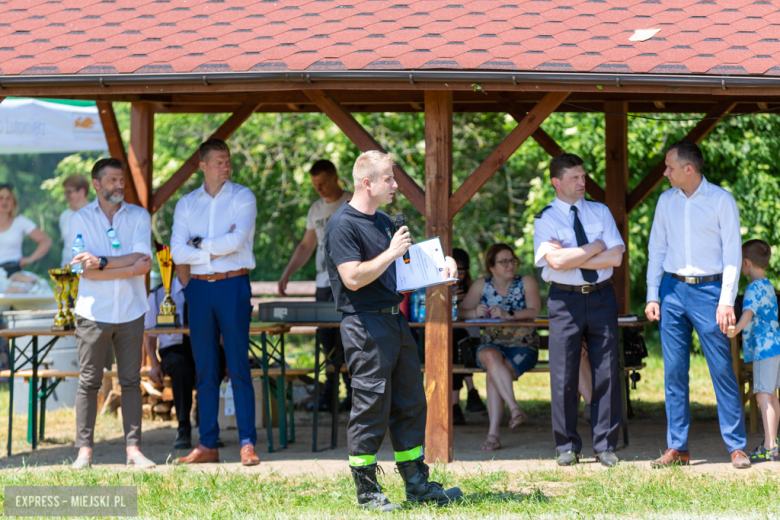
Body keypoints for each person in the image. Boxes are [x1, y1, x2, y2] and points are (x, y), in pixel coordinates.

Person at [323, 150, 462, 511]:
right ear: (366, 183)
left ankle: (417, 483)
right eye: (389, 179)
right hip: (364, 324)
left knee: (411, 401)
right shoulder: (342, 225)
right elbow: (352, 278)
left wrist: (440, 264)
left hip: (394, 321)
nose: (396, 185)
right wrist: (390, 252)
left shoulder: (383, 220)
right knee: (370, 405)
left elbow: (402, 268)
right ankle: (367, 491)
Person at [645, 141, 750, 469]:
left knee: (721, 369)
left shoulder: (721, 200)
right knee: (674, 372)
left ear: (688, 169)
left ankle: (737, 447)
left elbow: (732, 254)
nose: (665, 173)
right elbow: (656, 249)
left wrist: (726, 301)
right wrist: (652, 294)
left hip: (710, 292)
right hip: (672, 290)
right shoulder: (665, 201)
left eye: (670, 167)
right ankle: (678, 447)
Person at [171, 138, 260, 466]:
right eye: (219, 161)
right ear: (203, 166)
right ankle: (207, 443)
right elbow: (176, 251)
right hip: (198, 288)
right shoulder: (186, 204)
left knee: (238, 365)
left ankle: (247, 443)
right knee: (204, 368)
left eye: (228, 161)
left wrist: (198, 243)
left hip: (233, 284)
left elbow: (237, 241)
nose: (226, 166)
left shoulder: (243, 197)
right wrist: (213, 246)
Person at [533, 153, 624, 468]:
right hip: (564, 300)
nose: (582, 182)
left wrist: (575, 255)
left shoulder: (600, 211)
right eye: (574, 178)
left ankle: (605, 445)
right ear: (557, 182)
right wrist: (595, 247)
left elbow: (616, 258)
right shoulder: (545, 219)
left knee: (607, 371)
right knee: (563, 374)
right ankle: (566, 446)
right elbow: (555, 263)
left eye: (583, 176)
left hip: (601, 296)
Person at [67, 158, 155, 470]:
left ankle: (134, 451)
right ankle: (84, 453)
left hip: (131, 309)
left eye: (122, 180)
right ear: (96, 184)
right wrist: (128, 268)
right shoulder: (80, 219)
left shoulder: (139, 216)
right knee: (89, 381)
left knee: (131, 381)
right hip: (93, 311)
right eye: (113, 180)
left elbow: (143, 259)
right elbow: (82, 271)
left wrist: (102, 261)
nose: (119, 185)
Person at [278, 159, 352, 412]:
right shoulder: (316, 209)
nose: (318, 188)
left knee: (348, 337)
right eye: (314, 185)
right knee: (326, 338)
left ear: (335, 177)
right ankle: (331, 392)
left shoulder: (353, 202)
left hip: (349, 283)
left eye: (322, 183)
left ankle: (352, 393)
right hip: (323, 284)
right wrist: (287, 274)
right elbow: (306, 245)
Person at [458, 244, 540, 451]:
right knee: (490, 358)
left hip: (523, 347)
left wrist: (508, 315)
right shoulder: (481, 285)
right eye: (504, 262)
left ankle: (493, 435)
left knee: (492, 375)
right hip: (492, 346)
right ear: (491, 266)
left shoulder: (526, 281)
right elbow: (460, 313)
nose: (510, 265)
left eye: (512, 260)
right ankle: (514, 408)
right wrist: (474, 312)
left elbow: (535, 310)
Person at [727, 239, 780, 463]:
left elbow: (748, 312)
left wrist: (736, 328)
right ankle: (773, 443)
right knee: (772, 396)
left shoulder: (752, 288)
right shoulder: (768, 285)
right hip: (775, 348)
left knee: (762, 396)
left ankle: (770, 446)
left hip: (763, 350)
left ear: (746, 263)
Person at [143, 262, 196, 450]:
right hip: (173, 349)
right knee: (181, 368)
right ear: (174, 267)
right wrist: (154, 365)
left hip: (201, 345)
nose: (190, 262)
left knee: (213, 364)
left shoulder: (204, 289)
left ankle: (210, 428)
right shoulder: (158, 294)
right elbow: (149, 333)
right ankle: (183, 427)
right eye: (185, 259)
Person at [451, 248, 487, 426]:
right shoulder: (441, 286)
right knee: (456, 342)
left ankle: (455, 405)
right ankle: (471, 392)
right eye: (456, 269)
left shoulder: (473, 287)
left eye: (462, 270)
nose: (459, 274)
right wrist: (450, 300)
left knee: (459, 342)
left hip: (470, 339)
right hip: (454, 341)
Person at [0, 183, 52, 276]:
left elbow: (46, 241)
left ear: (13, 202)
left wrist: (30, 259)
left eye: (8, 198)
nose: (4, 202)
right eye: (1, 198)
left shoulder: (20, 221)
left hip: (13, 272)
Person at [60, 174, 90, 267]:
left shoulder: (96, 213)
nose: (66, 196)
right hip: (67, 268)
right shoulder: (64, 215)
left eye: (69, 192)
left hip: (90, 268)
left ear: (81, 192)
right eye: (65, 193)